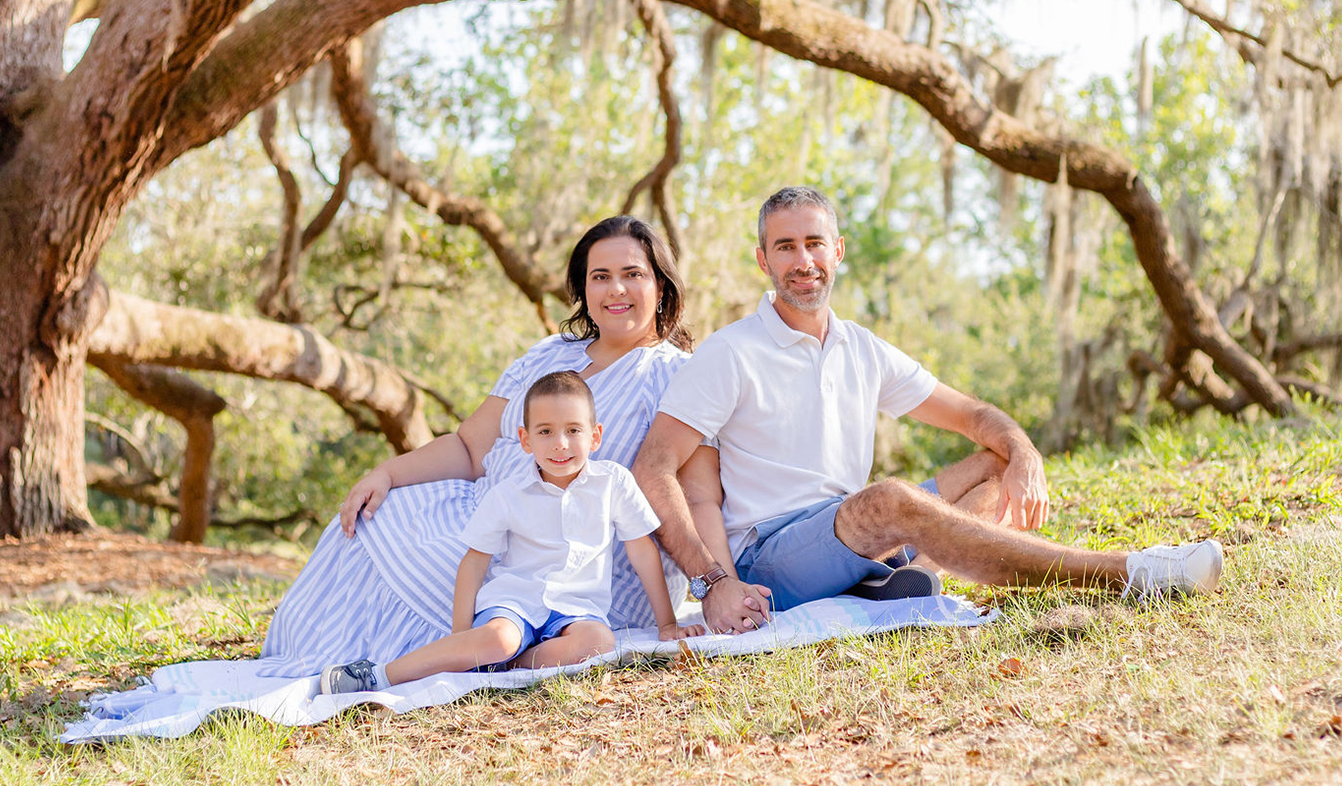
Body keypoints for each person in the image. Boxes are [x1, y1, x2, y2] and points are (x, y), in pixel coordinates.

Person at [628, 185, 1223, 614]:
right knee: (889, 500)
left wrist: (1023, 451)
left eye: (814, 243)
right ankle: (1130, 573)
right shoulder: (731, 352)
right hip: (771, 559)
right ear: (763, 260)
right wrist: (713, 584)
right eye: (785, 247)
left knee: (993, 463)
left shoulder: (861, 348)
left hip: (850, 538)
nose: (802, 261)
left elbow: (973, 417)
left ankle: (901, 584)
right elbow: (652, 468)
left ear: (838, 251)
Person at [258, 214, 770, 679]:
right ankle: (331, 664)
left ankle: (435, 661)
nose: (616, 289)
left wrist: (716, 582)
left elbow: (700, 496)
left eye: (633, 274)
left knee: (452, 569)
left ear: (661, 284)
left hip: (584, 562)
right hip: (494, 515)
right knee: (378, 516)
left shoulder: (679, 373)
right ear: (582, 289)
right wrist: (387, 474)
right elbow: (469, 447)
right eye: (600, 276)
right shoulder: (549, 354)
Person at [319, 371, 701, 693]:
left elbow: (642, 552)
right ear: (525, 439)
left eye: (573, 430)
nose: (561, 444)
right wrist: (459, 634)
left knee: (599, 644)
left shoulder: (613, 482)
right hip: (515, 602)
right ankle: (378, 674)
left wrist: (667, 624)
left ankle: (506, 666)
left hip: (578, 608)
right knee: (499, 638)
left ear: (595, 436)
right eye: (546, 431)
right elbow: (473, 563)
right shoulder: (509, 493)